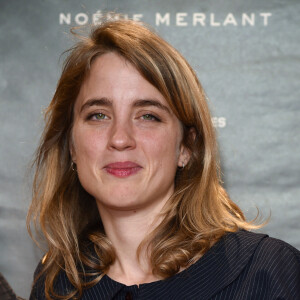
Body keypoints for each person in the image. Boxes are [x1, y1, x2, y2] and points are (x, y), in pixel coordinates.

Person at [28, 18, 300, 300]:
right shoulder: (55, 284)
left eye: (148, 116)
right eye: (98, 115)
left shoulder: (271, 274)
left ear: (187, 147)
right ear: (72, 146)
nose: (120, 139)